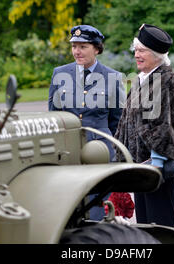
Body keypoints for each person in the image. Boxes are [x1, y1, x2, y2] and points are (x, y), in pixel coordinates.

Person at [114, 23, 174, 228]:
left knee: (160, 224)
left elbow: (163, 126)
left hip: (157, 168)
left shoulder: (165, 79)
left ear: (157, 55)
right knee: (145, 224)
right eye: (136, 50)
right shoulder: (143, 79)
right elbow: (128, 121)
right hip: (143, 168)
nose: (137, 55)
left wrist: (156, 166)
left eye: (142, 51)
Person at [48, 24, 125, 220]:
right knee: (69, 207)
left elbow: (118, 122)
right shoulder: (60, 74)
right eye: (74, 46)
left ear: (97, 48)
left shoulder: (113, 77)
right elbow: (54, 117)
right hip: (69, 152)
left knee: (98, 209)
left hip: (100, 152)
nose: (76, 51)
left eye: (83, 46)